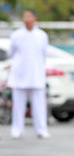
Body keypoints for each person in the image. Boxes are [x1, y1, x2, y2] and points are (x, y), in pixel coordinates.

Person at [8, 10, 50, 139]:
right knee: (18, 105)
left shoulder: (42, 35)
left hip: (36, 73)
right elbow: (11, 52)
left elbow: (44, 54)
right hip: (19, 73)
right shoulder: (16, 35)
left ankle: (41, 130)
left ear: (35, 19)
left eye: (29, 16)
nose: (27, 19)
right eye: (25, 16)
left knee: (39, 105)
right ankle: (17, 129)